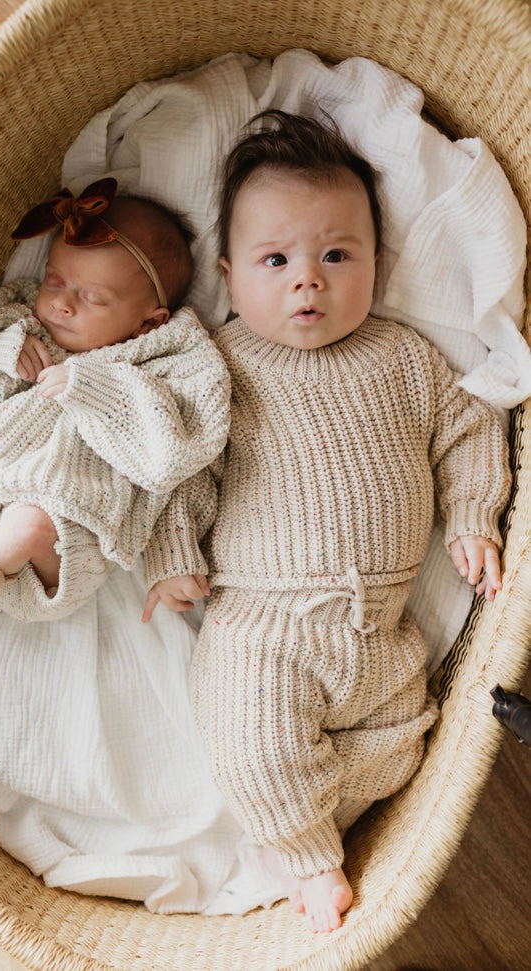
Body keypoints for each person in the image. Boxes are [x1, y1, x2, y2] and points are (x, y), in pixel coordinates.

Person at [141, 111, 511, 933]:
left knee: (404, 744)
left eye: (336, 256)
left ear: (377, 269)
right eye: (277, 261)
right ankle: (307, 852)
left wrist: (472, 513)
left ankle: (303, 813)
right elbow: (181, 464)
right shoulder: (221, 363)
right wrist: (172, 553)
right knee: (252, 734)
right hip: (261, 625)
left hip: (382, 629)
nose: (308, 280)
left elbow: (471, 428)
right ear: (231, 278)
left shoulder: (406, 357)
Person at [0, 177, 230, 624]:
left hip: (63, 531)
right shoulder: (24, 322)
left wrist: (87, 387)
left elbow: (179, 465)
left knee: (29, 526)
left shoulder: (165, 364)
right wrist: (4, 351)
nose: (61, 304)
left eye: (90, 297)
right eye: (55, 280)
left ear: (148, 323)